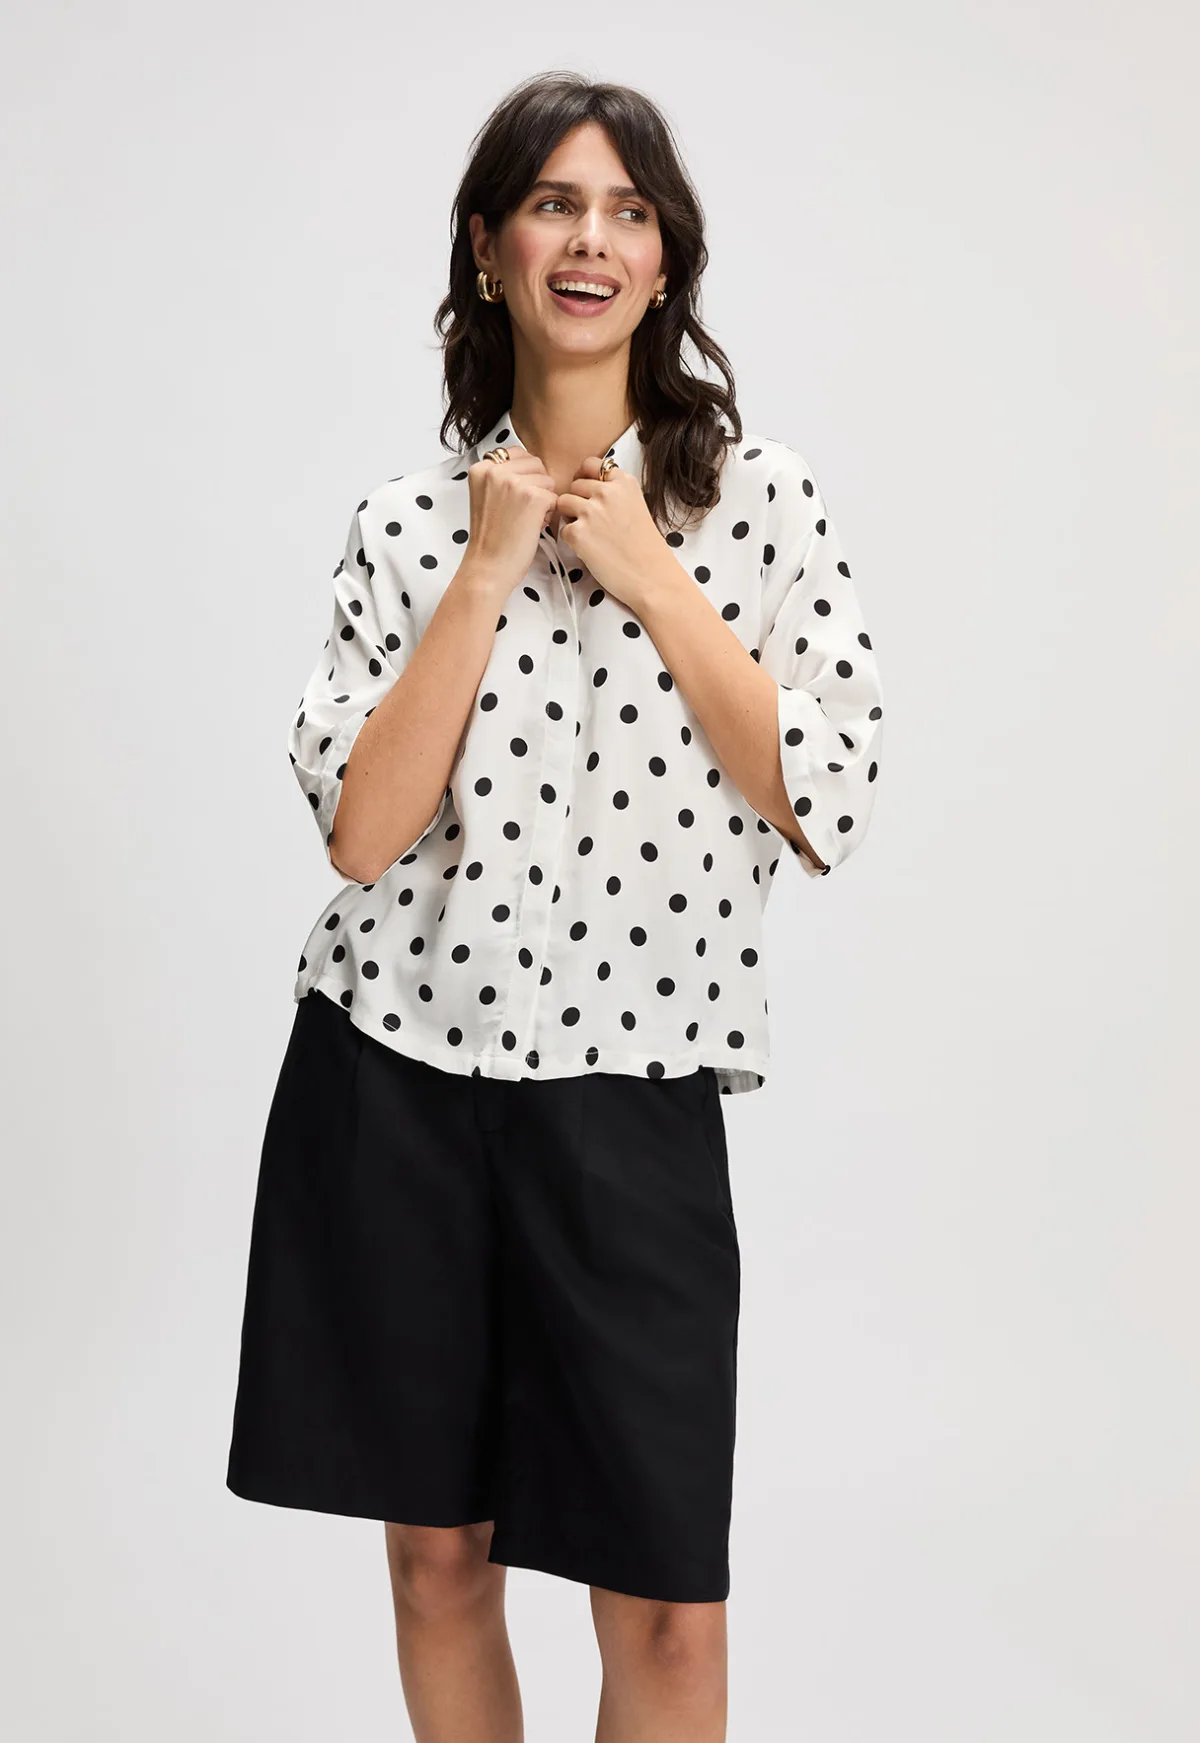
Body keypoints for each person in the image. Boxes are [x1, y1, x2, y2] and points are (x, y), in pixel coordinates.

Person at [226, 69, 884, 1743]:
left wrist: (654, 574)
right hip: (396, 1080)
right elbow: (362, 832)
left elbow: (828, 795)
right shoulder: (403, 528)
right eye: (554, 204)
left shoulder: (763, 506)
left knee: (666, 1609)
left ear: (665, 263)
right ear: (489, 248)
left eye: (627, 211)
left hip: (631, 1094)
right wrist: (487, 565)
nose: (590, 240)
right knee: (439, 1561)